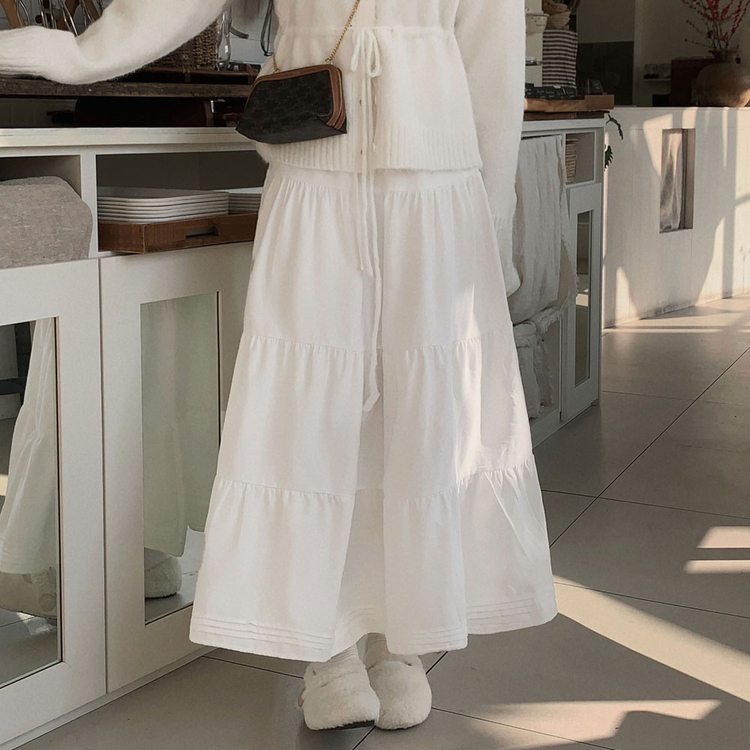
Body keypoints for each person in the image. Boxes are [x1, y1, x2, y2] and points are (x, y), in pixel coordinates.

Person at [0, 0, 557, 732]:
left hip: (436, 183)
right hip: (316, 169)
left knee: (421, 420)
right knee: (309, 419)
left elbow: (493, 63)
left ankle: (401, 639)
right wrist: (74, 55)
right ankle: (327, 648)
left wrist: (493, 223)